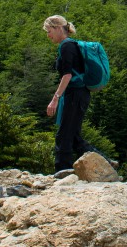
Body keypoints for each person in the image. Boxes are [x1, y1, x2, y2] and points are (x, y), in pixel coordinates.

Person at [43, 14, 102, 173]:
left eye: (49, 31)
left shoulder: (66, 46)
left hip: (75, 95)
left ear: (57, 28)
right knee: (74, 136)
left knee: (64, 136)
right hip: (80, 94)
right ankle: (105, 163)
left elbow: (67, 75)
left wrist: (55, 99)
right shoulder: (71, 45)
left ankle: (62, 171)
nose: (48, 35)